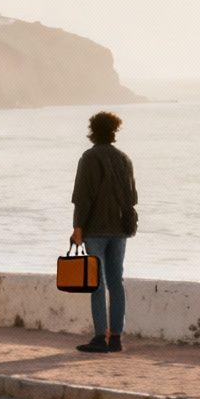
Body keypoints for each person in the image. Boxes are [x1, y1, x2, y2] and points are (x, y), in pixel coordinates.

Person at [70, 110, 138, 353]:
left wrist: (78, 228)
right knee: (116, 282)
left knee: (96, 284)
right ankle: (117, 338)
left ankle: (100, 337)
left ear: (92, 131)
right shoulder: (124, 159)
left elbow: (82, 198)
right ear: (113, 131)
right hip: (120, 230)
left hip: (96, 230)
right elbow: (132, 197)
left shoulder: (89, 158)